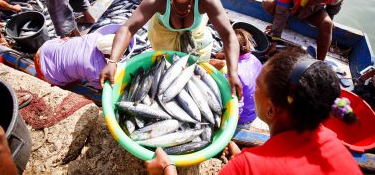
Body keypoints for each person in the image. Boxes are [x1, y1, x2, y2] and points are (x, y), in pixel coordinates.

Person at [146, 48, 362, 175]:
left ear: (270, 110)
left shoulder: (246, 167)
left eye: (257, 86)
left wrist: (167, 168)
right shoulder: (334, 146)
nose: (252, 91)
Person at [100, 0, 243, 97]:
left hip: (195, 36)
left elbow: (229, 36)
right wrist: (112, 62)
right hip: (163, 36)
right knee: (167, 75)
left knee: (195, 73)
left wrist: (233, 72)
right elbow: (128, 28)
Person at [263, 0, 344, 60]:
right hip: (292, 9)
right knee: (267, 3)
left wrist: (330, 17)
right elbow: (280, 14)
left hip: (313, 12)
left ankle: (320, 61)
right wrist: (274, 42)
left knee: (328, 23)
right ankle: (283, 24)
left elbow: (336, 3)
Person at [210, 28, 263, 127]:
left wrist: (227, 127)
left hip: (242, 118)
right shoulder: (254, 59)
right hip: (255, 112)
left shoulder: (231, 75)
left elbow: (237, 107)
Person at [33, 30, 120, 89]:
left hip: (44, 49)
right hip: (46, 73)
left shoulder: (95, 36)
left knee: (70, 42)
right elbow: (100, 85)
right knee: (75, 81)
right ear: (108, 55)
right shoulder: (97, 71)